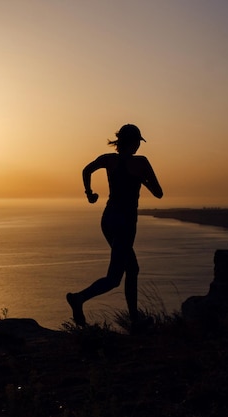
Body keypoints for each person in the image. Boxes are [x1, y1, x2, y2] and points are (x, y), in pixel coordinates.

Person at [66, 124, 163, 330]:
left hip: (108, 219)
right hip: (125, 222)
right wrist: (142, 180)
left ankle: (134, 319)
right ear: (133, 142)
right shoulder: (141, 163)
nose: (138, 146)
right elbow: (159, 193)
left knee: (132, 268)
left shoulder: (108, 159)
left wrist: (89, 194)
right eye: (137, 142)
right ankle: (79, 298)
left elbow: (86, 170)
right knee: (115, 278)